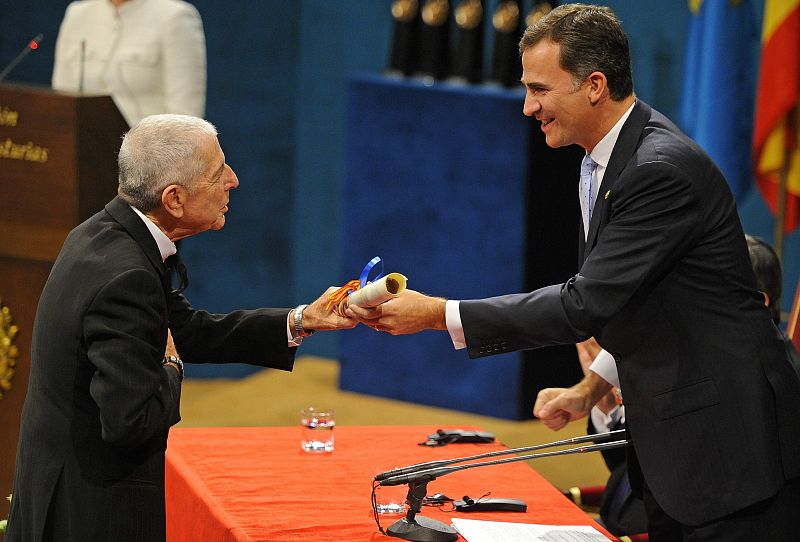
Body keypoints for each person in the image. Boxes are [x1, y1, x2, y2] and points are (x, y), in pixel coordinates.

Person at [348, 4, 800, 540]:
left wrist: (439, 315)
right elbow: (647, 300)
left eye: (539, 89)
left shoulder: (659, 171)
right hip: (679, 449)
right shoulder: (603, 160)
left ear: (594, 85)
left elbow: (585, 303)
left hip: (731, 454)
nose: (526, 107)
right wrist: (592, 388)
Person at [5, 114, 355, 542]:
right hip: (91, 515)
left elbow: (185, 328)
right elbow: (130, 423)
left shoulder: (103, 234)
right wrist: (171, 366)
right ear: (173, 199)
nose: (234, 180)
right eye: (217, 174)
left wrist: (302, 320)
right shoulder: (126, 275)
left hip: (60, 492)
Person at [52, 0, 206, 127]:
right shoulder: (77, 14)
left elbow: (187, 121)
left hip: (148, 157)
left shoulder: (176, 17)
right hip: (81, 149)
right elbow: (61, 101)